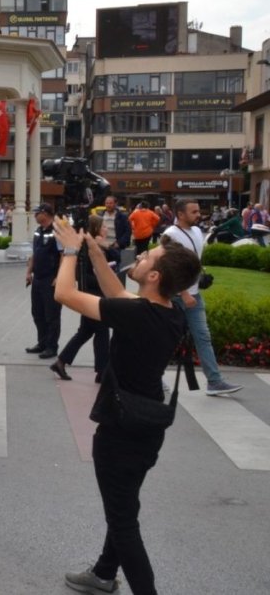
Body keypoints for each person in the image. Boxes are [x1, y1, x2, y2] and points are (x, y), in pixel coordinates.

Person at [52, 217, 201, 595]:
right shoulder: (168, 313)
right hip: (147, 427)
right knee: (125, 509)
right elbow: (117, 292)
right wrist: (95, 253)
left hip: (121, 432)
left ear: (153, 278)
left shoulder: (137, 315)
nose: (141, 255)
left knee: (123, 523)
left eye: (148, 256)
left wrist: (69, 251)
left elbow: (64, 294)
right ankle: (103, 573)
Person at [164, 200, 242, 396]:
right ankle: (151, 377)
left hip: (195, 295)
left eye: (199, 210)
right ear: (180, 214)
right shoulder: (170, 235)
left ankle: (214, 381)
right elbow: (168, 268)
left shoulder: (198, 232)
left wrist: (199, 279)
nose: (198, 214)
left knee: (203, 337)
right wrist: (182, 292)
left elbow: (195, 261)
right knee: (165, 338)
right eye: (194, 211)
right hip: (176, 296)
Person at [49, 215, 119, 382]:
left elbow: (118, 257)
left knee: (86, 332)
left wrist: (106, 247)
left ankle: (61, 362)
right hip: (92, 295)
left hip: (97, 295)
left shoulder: (100, 245)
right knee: (101, 333)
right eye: (103, 226)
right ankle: (102, 371)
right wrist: (102, 276)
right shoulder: (86, 247)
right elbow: (83, 276)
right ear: (95, 228)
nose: (106, 229)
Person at [25, 204, 63, 360]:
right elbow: (35, 253)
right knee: (37, 313)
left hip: (50, 278)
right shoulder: (38, 230)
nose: (35, 216)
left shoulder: (57, 231)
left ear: (46, 214)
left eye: (37, 213)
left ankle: (51, 347)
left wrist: (59, 277)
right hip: (38, 278)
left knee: (51, 315)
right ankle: (42, 343)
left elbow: (63, 255)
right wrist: (28, 272)